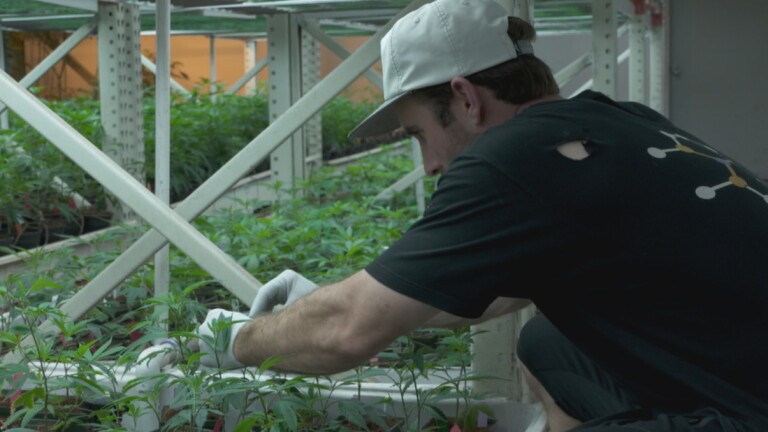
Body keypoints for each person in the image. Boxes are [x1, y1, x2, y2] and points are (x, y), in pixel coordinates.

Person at [196, 0, 768, 430]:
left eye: (419, 133)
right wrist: (346, 297)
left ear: (466, 99)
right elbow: (498, 292)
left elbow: (347, 331)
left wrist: (238, 340)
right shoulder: (619, 119)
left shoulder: (512, 158)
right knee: (548, 343)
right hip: (742, 362)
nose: (427, 165)